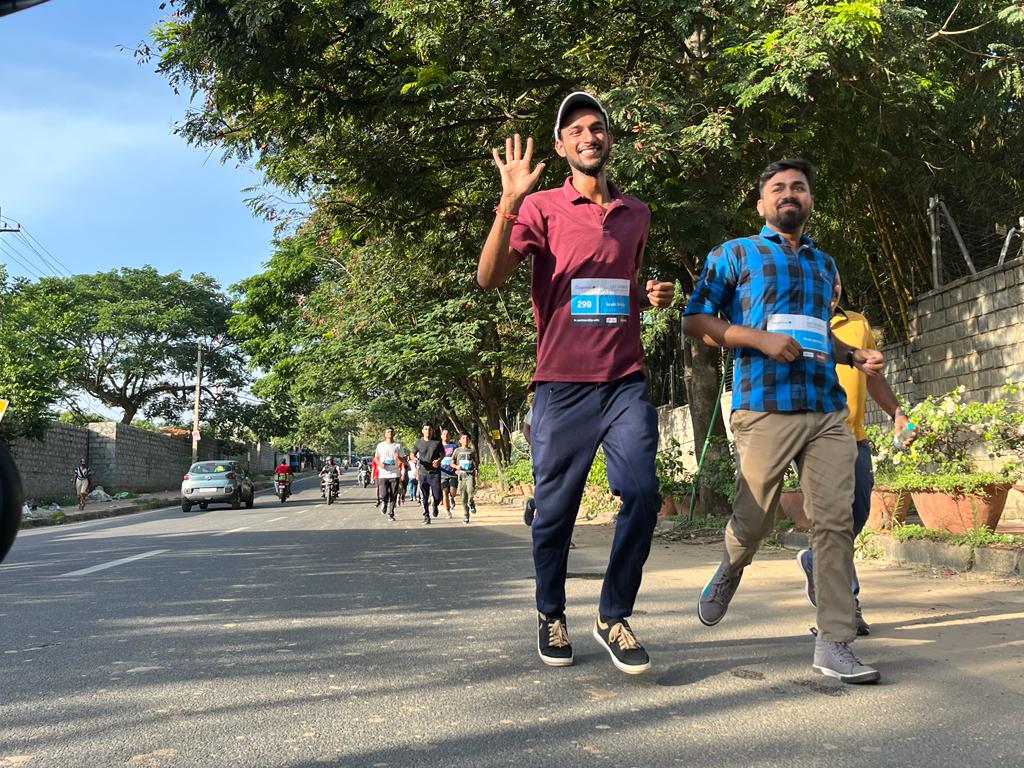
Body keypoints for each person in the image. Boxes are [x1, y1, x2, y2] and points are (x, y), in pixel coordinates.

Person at [477, 91, 675, 674]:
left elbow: (625, 283)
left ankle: (614, 615)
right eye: (576, 130)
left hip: (624, 382)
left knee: (641, 493)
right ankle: (550, 612)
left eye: (598, 127)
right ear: (562, 147)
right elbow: (489, 278)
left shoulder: (636, 212)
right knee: (555, 513)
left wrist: (648, 295)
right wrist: (508, 202)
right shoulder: (538, 208)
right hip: (561, 384)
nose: (590, 135)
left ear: (610, 140)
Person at [681, 157, 884, 685]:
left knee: (835, 523)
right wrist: (757, 339)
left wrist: (850, 356)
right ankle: (731, 567)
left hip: (826, 409)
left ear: (810, 201)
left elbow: (816, 332)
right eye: (778, 188)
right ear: (762, 203)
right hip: (764, 404)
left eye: (798, 187)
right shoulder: (733, 254)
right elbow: (695, 320)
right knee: (756, 520)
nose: (789, 194)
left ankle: (834, 640)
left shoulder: (825, 265)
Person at [797, 304, 915, 637]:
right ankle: (846, 606)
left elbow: (872, 378)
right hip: (813, 437)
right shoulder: (798, 320)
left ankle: (815, 561)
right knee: (835, 517)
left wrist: (897, 414)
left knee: (858, 513)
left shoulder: (858, 323)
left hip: (854, 436)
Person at [413, 423, 445, 524]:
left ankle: (435, 504)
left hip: (434, 473)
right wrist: (414, 459)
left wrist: (439, 460)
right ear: (422, 431)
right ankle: (426, 516)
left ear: (432, 431)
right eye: (426, 429)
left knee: (438, 495)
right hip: (423, 473)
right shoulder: (418, 442)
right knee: (424, 496)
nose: (428, 431)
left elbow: (443, 453)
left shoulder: (437, 442)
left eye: (430, 429)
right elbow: (411, 454)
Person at [374, 427, 406, 521]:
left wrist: (398, 458)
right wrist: (380, 464)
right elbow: (376, 458)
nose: (390, 433)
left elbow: (404, 460)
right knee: (383, 494)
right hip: (383, 474)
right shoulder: (380, 445)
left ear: (394, 433)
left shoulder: (398, 446)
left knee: (393, 495)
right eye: (388, 432)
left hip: (394, 473)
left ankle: (391, 513)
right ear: (385, 434)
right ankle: (384, 502)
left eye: (391, 432)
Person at [451, 432, 478, 524]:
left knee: (471, 491)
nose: (465, 440)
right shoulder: (457, 451)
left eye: (467, 438)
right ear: (460, 440)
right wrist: (456, 466)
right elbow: (452, 462)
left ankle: (471, 502)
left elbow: (476, 462)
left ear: (469, 440)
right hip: (461, 475)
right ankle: (466, 514)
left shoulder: (472, 451)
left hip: (470, 474)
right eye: (463, 438)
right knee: (463, 498)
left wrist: (477, 472)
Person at [439, 427, 459, 518]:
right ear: (441, 436)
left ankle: (452, 498)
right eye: (444, 434)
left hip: (453, 473)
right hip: (442, 473)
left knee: (453, 492)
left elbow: (459, 457)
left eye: (447, 434)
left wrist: (458, 467)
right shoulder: (438, 446)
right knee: (444, 492)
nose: (445, 436)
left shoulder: (454, 446)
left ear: (450, 436)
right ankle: (448, 511)